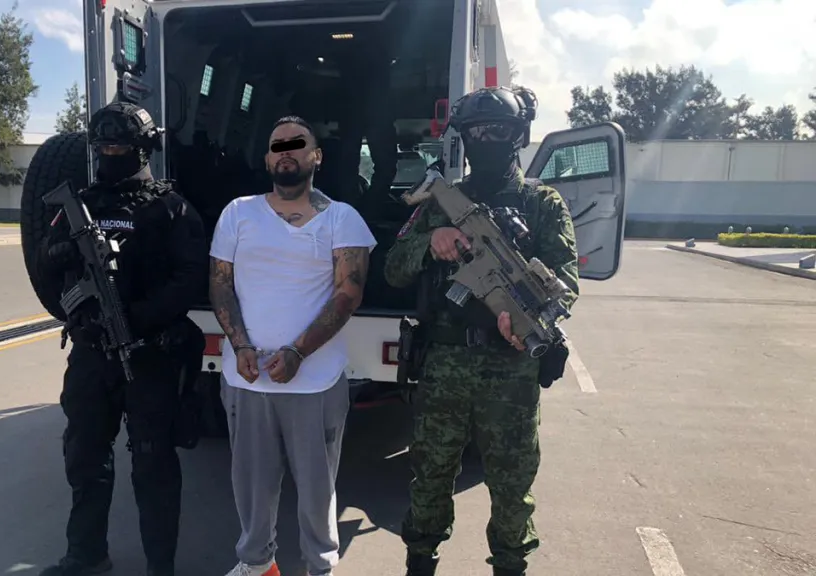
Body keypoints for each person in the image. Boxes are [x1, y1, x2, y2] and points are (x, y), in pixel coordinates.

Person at [383, 86, 580, 576]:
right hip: (444, 366)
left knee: (513, 487)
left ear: (518, 136)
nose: (486, 140)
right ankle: (420, 562)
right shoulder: (442, 203)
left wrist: (532, 314)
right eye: (476, 132)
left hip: (511, 370)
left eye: (498, 131)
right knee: (429, 475)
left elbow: (567, 282)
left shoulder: (542, 203)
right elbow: (393, 268)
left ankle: (511, 565)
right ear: (464, 138)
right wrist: (432, 240)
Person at [33, 101, 209, 576]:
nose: (111, 155)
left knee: (153, 464)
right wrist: (62, 260)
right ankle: (86, 554)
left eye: (121, 148)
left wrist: (137, 319)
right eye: (104, 148)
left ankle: (160, 566)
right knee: (84, 455)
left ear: (144, 149)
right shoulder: (80, 205)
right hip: (92, 354)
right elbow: (46, 265)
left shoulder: (173, 209)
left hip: (148, 355)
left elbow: (190, 279)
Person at [208, 116, 377, 576]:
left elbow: (348, 293)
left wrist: (298, 351)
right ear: (267, 159)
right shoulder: (238, 213)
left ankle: (319, 566)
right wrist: (241, 345)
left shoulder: (343, 219)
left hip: (314, 383)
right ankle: (257, 564)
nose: (286, 151)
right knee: (251, 486)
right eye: (276, 145)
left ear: (315, 156)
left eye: (296, 143)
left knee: (317, 490)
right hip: (246, 380)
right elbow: (220, 284)